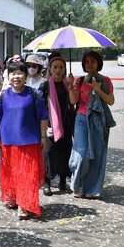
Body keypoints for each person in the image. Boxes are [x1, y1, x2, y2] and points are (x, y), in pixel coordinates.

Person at [0, 61, 48, 220]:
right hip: (8, 140)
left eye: (20, 73)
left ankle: (24, 204)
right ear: (8, 76)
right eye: (13, 73)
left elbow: (43, 117)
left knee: (27, 174)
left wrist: (43, 136)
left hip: (29, 141)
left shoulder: (35, 94)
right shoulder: (3, 95)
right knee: (11, 172)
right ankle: (13, 197)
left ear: (26, 76)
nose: (16, 76)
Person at [67, 51, 115, 199]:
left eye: (93, 61)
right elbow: (74, 101)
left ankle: (92, 189)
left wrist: (98, 89)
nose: (90, 64)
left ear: (98, 63)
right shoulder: (79, 81)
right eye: (87, 61)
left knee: (97, 155)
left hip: (98, 120)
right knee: (80, 153)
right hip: (81, 119)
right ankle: (77, 184)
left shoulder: (105, 80)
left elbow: (111, 101)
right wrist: (70, 86)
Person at [38, 57, 75, 196]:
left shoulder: (68, 84)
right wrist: (45, 124)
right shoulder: (45, 86)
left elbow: (73, 102)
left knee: (65, 151)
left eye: (61, 67)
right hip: (49, 124)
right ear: (50, 69)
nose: (58, 70)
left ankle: (62, 180)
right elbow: (40, 107)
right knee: (48, 153)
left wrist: (72, 86)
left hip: (65, 123)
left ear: (64, 69)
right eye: (55, 67)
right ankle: (46, 183)